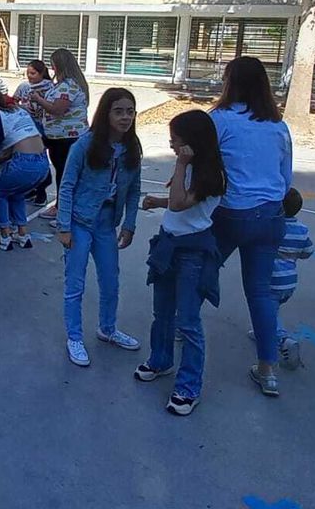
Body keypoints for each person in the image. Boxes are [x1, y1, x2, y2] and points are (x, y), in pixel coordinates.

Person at [208, 56, 294, 396]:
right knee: (260, 290)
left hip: (232, 211)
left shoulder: (220, 120)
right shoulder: (278, 125)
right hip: (271, 214)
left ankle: (182, 325)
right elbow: (285, 179)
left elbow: (202, 166)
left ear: (230, 81)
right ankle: (268, 369)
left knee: (200, 268)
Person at [133, 110, 226, 416]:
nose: (171, 142)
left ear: (192, 141)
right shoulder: (187, 168)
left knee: (187, 321)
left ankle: (189, 385)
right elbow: (176, 204)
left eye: (176, 137)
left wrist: (181, 163)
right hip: (168, 244)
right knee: (162, 312)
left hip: (193, 253)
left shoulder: (210, 173)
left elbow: (180, 202)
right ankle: (160, 359)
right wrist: (156, 202)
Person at [57, 87, 143, 367]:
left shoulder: (132, 148)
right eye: (118, 111)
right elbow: (67, 186)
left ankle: (107, 329)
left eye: (130, 111)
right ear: (106, 113)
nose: (125, 117)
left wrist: (129, 224)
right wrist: (64, 226)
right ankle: (74, 337)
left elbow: (133, 189)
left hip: (106, 225)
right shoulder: (85, 144)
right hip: (80, 223)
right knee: (75, 284)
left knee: (111, 281)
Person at [0, 89, 50, 251]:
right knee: (17, 193)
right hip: (42, 162)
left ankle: (4, 235)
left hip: (23, 163)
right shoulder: (18, 111)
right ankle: (22, 233)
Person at [35, 49, 91, 222]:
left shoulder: (69, 85)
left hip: (67, 139)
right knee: (63, 173)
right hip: (59, 137)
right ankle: (62, 207)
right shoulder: (65, 84)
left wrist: (38, 99)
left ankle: (64, 212)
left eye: (52, 63)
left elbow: (58, 109)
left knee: (65, 175)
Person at [269, 189, 313, 368]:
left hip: (272, 279)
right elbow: (307, 252)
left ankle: (282, 340)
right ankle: (263, 329)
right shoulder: (301, 230)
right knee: (273, 309)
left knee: (267, 310)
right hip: (290, 281)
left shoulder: (273, 227)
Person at [13, 60, 54, 205]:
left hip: (41, 126)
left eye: (33, 73)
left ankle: (42, 189)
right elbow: (13, 101)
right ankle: (31, 188)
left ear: (42, 73)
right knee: (29, 158)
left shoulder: (50, 87)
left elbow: (51, 107)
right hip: (26, 126)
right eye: (28, 73)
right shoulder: (24, 86)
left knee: (40, 157)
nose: (29, 76)